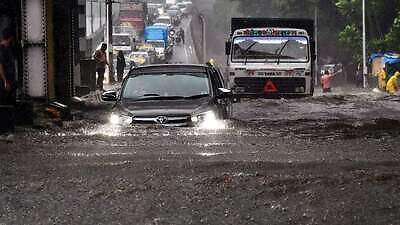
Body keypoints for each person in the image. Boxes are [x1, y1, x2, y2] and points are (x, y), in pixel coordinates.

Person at [0, 28, 15, 105]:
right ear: (10, 38)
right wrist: (5, 81)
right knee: (5, 103)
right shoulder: (2, 49)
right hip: (4, 81)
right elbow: (0, 66)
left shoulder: (7, 48)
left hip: (7, 79)